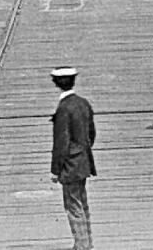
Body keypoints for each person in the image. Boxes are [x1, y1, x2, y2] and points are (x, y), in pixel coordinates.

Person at [49, 66, 96, 250]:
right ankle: (86, 242)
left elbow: (61, 143)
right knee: (82, 203)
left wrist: (55, 170)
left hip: (70, 165)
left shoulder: (63, 108)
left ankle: (82, 245)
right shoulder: (83, 103)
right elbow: (91, 134)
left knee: (73, 205)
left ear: (56, 83)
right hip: (84, 161)